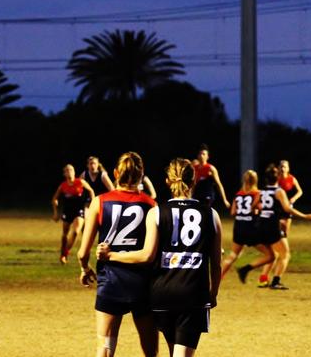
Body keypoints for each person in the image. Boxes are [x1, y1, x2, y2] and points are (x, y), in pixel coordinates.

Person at [97, 158, 222, 357]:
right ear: (194, 181)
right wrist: (213, 293)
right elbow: (216, 265)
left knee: (174, 351)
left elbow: (146, 256)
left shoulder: (156, 213)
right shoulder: (211, 215)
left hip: (162, 294)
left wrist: (111, 255)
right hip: (193, 294)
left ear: (167, 182)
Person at [77, 152, 158, 357]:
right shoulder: (151, 205)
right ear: (141, 176)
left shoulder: (100, 201)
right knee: (150, 350)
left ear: (115, 173)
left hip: (111, 282)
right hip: (142, 284)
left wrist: (84, 268)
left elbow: (82, 252)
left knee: (105, 347)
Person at [254, 164, 311, 290]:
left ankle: (263, 278)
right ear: (277, 177)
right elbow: (287, 208)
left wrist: (265, 211)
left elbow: (254, 206)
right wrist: (305, 216)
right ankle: (275, 281)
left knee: (275, 254)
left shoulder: (262, 191)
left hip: (263, 224)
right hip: (273, 225)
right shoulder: (278, 191)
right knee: (285, 254)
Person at [221, 170, 275, 283]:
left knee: (233, 255)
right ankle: (245, 269)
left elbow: (232, 212)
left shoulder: (238, 194)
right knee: (270, 256)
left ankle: (217, 279)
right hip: (251, 228)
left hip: (238, 227)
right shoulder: (258, 193)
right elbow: (259, 208)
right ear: (256, 180)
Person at [258, 160, 303, 286]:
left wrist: (294, 198)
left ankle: (269, 274)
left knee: (283, 237)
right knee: (280, 246)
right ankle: (271, 276)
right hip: (278, 212)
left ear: (288, 168)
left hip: (285, 211)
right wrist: (304, 216)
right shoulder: (276, 180)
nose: (283, 168)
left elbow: (300, 191)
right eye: (281, 166)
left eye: (285, 166)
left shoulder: (291, 179)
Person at [52, 164, 95, 264]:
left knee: (75, 232)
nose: (70, 172)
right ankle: (63, 253)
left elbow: (91, 191)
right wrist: (55, 211)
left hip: (79, 211)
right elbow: (55, 198)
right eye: (67, 170)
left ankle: (65, 253)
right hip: (67, 211)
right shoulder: (63, 185)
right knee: (65, 235)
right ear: (64, 174)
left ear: (74, 172)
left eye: (71, 170)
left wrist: (92, 204)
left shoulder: (80, 182)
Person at [191, 144, 230, 209]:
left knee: (205, 212)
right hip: (197, 196)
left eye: (204, 154)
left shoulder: (211, 168)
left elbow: (219, 184)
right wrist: (190, 196)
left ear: (207, 156)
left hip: (207, 196)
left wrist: (224, 199)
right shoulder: (194, 168)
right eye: (200, 154)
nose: (201, 156)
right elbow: (192, 184)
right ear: (197, 156)